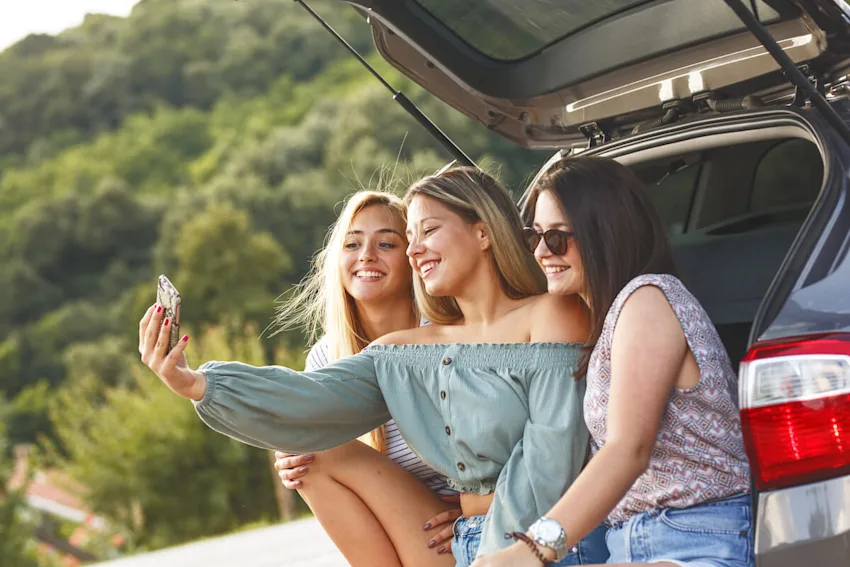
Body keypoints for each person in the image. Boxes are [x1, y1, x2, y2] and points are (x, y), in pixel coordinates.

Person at [138, 167, 608, 567]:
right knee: (312, 453)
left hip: (541, 548)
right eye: (411, 237)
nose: (413, 249)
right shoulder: (407, 349)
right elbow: (312, 400)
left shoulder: (551, 314)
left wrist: (502, 552)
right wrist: (198, 383)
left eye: (427, 231)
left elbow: (552, 457)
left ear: (483, 232)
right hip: (465, 545)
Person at [471, 156, 752, 567]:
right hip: (633, 544)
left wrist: (532, 550)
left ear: (605, 233)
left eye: (558, 238)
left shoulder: (647, 299)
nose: (541, 252)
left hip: (696, 541)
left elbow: (627, 449)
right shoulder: (607, 319)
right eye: (534, 236)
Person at [271, 189, 460, 566]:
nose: (366, 256)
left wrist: (482, 511)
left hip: (459, 525)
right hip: (403, 530)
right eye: (352, 244)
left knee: (316, 442)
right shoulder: (328, 356)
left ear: (413, 258)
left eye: (386, 243)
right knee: (305, 451)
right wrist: (289, 458)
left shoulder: (447, 334)